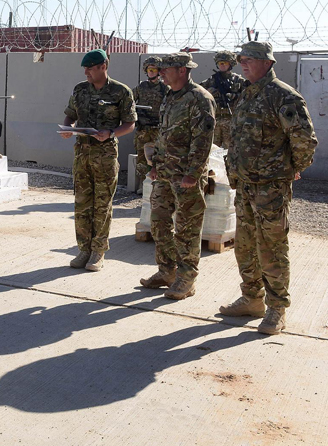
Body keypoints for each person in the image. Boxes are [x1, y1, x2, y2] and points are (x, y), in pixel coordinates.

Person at [218, 41, 317, 335]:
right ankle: (252, 299)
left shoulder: (283, 96)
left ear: (267, 62)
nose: (243, 64)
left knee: (272, 248)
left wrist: (292, 169)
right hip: (245, 185)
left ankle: (276, 309)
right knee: (245, 246)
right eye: (241, 59)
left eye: (249, 59)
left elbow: (304, 140)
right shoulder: (246, 94)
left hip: (270, 188)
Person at [139, 52, 215, 299]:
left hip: (186, 177)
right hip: (164, 173)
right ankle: (166, 271)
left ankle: (186, 279)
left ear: (182, 70)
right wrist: (155, 164)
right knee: (160, 223)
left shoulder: (200, 98)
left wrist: (193, 174)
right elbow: (163, 135)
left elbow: (203, 140)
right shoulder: (169, 96)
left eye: (166, 69)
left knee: (187, 228)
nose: (161, 73)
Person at [60, 49, 137, 272]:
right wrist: (68, 128)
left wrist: (111, 133)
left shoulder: (121, 91)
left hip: (105, 154)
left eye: (90, 68)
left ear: (103, 66)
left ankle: (98, 252)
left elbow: (130, 123)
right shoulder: (80, 89)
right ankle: (83, 249)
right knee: (82, 203)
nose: (86, 72)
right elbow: (70, 114)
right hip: (82, 153)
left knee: (102, 204)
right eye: (85, 68)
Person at [131, 56, 167, 188]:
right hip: (143, 128)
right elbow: (130, 101)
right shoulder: (141, 87)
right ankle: (143, 184)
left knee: (159, 156)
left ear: (159, 71)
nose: (151, 72)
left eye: (154, 69)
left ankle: (158, 184)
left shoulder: (165, 89)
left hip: (158, 128)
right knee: (141, 157)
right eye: (149, 69)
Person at [199, 50, 246, 148]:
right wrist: (209, 92)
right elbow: (199, 93)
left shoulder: (238, 81)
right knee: (213, 150)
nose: (222, 65)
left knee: (232, 148)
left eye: (225, 63)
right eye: (220, 63)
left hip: (232, 120)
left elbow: (247, 97)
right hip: (215, 120)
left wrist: (234, 96)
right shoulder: (211, 80)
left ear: (231, 64)